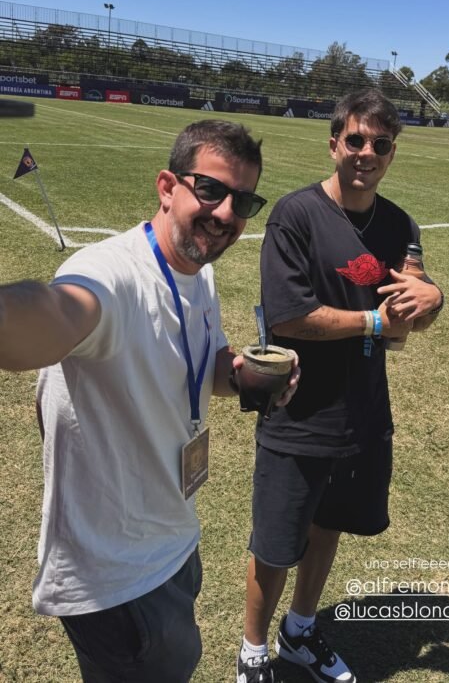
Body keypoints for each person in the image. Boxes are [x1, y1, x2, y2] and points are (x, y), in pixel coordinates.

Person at [0, 119, 298, 683]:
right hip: (117, 576)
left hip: (174, 535)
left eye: (244, 200)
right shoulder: (109, 273)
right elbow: (58, 312)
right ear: (167, 186)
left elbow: (203, 360)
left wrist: (238, 376)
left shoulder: (196, 270)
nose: (227, 214)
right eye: (210, 189)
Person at [237, 90, 444, 683]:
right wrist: (377, 322)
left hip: (364, 412)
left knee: (329, 526)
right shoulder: (296, 216)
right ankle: (253, 654)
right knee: (277, 541)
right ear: (334, 144)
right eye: (355, 139)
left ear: (392, 154)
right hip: (300, 410)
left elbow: (415, 299)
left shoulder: (400, 224)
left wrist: (434, 299)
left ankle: (299, 632)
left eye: (380, 144)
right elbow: (288, 315)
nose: (366, 152)